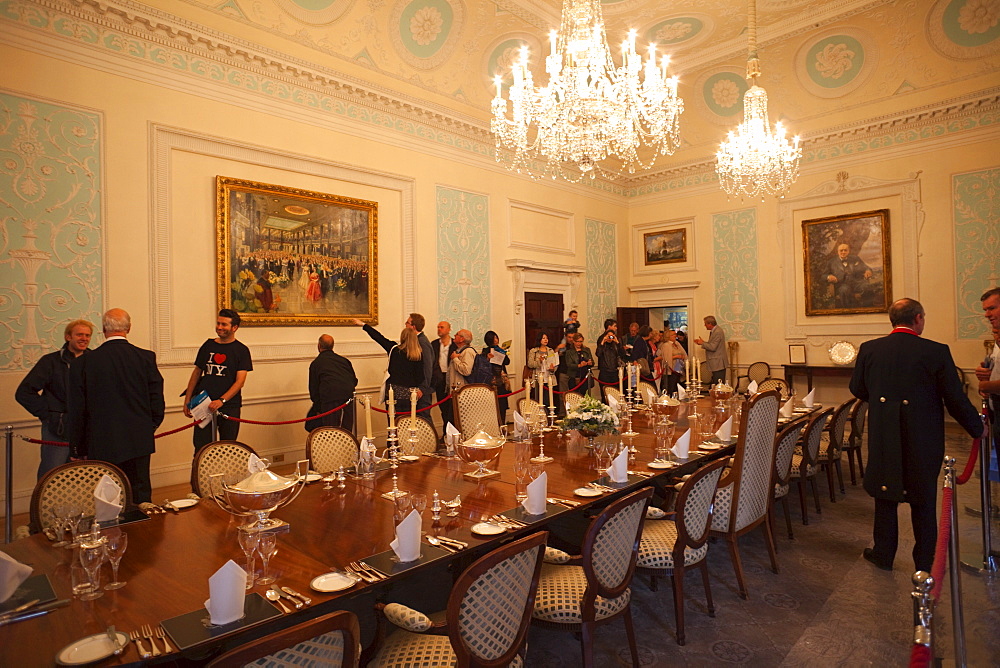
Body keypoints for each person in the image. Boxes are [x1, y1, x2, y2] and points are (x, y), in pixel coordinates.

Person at [849, 298, 982, 573]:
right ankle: (925, 561)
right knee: (922, 499)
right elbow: (954, 399)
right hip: (923, 437)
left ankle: (883, 554)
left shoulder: (870, 349)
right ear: (918, 318)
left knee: (884, 496)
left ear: (892, 320)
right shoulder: (936, 351)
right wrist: (978, 428)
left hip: (884, 434)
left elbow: (858, 388)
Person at [65, 309, 164, 505]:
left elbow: (77, 408)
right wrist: (149, 426)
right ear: (128, 328)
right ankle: (143, 532)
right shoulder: (145, 357)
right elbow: (157, 399)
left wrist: (77, 446)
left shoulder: (84, 362)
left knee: (107, 495)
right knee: (140, 493)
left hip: (100, 439)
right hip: (138, 436)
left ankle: (111, 532)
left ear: (103, 329)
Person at [15, 319, 94, 478]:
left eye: (87, 335)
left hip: (89, 430)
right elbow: (24, 392)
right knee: (51, 476)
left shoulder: (95, 361)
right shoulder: (50, 361)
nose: (84, 338)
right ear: (68, 337)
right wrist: (48, 415)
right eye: (79, 334)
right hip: (58, 430)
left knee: (86, 477)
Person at [183, 309, 253, 452]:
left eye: (224, 325)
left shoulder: (241, 350)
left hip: (229, 406)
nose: (219, 327)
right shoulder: (208, 345)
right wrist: (188, 399)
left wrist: (222, 400)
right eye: (218, 323)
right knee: (201, 447)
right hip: (203, 403)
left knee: (228, 447)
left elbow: (240, 382)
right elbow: (197, 373)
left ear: (234, 328)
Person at [354, 319, 423, 413]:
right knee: (408, 422)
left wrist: (364, 325)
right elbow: (420, 377)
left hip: (392, 392)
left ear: (402, 337)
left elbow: (378, 337)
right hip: (409, 394)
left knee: (393, 421)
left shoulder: (394, 350)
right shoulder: (418, 355)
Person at [305, 334, 357, 433]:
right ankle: (348, 448)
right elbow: (354, 380)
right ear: (332, 346)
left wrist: (318, 408)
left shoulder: (316, 363)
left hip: (329, 402)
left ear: (319, 346)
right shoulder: (344, 361)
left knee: (330, 433)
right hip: (348, 400)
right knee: (346, 432)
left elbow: (314, 389)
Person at [825, 242, 873, 307]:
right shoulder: (831, 262)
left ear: (848, 251)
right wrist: (828, 276)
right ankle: (848, 312)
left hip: (856, 283)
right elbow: (823, 276)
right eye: (841, 250)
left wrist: (868, 271)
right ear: (838, 252)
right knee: (844, 290)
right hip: (842, 284)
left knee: (867, 287)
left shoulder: (855, 258)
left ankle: (867, 310)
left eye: (845, 250)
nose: (843, 252)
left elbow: (866, 267)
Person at [406, 313, 435, 412]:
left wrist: (422, 388)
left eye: (407, 323)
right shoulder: (416, 340)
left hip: (421, 390)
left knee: (423, 419)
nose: (405, 324)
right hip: (417, 388)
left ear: (413, 327)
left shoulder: (422, 341)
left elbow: (427, 366)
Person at [431, 321, 457, 427]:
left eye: (442, 327)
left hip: (452, 378)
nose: (439, 329)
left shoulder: (455, 344)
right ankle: (446, 430)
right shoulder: (434, 344)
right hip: (439, 377)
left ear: (449, 329)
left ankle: (454, 431)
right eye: (438, 327)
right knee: (442, 406)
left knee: (453, 407)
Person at [483, 331, 511, 418]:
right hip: (491, 379)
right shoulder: (486, 351)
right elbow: (482, 365)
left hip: (501, 379)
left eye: (497, 337)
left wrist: (503, 352)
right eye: (494, 338)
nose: (496, 340)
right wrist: (488, 358)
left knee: (502, 404)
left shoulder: (500, 349)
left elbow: (507, 362)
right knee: (492, 406)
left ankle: (503, 424)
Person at [694, 316, 728, 385]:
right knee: (716, 383)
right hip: (716, 363)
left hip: (718, 363)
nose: (704, 325)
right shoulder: (715, 331)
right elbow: (713, 344)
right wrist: (703, 342)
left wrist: (702, 343)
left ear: (710, 324)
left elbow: (713, 347)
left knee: (719, 385)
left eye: (705, 323)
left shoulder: (717, 332)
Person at [596, 322, 626, 388]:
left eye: (612, 336)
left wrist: (617, 342)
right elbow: (598, 354)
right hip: (605, 372)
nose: (610, 338)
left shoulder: (615, 345)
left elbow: (623, 354)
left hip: (614, 371)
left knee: (615, 390)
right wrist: (603, 341)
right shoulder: (602, 344)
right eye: (608, 336)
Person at [661, 328, 687, 395]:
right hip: (672, 369)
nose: (675, 336)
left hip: (679, 368)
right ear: (668, 337)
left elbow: (683, 352)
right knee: (671, 386)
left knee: (677, 385)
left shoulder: (677, 344)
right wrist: (677, 357)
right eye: (673, 335)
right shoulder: (666, 345)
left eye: (675, 334)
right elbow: (666, 358)